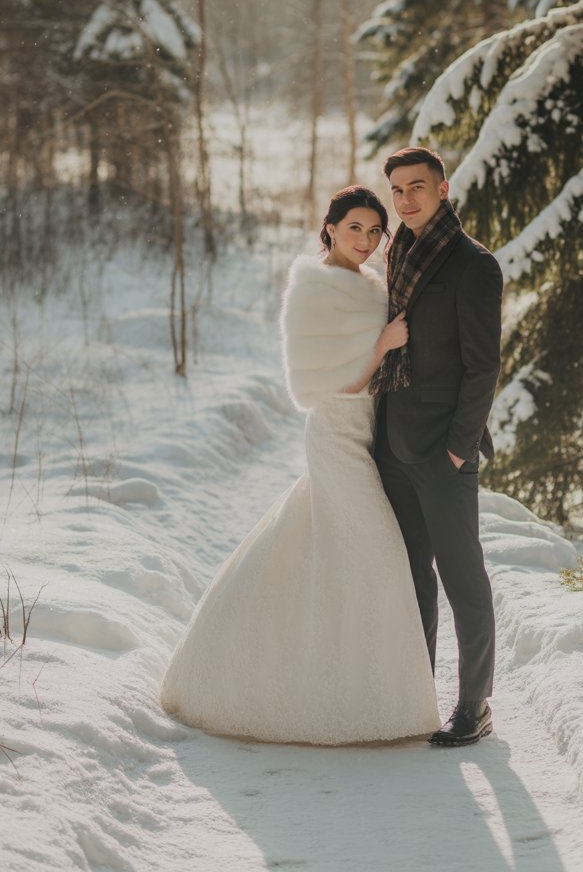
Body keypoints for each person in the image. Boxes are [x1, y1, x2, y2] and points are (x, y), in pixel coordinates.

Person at [160, 186, 440, 745]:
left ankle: (364, 691)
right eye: (353, 227)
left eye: (373, 231)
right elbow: (319, 387)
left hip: (369, 434)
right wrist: (383, 346)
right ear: (330, 228)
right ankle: (338, 697)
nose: (363, 240)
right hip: (337, 432)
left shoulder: (372, 285)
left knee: (337, 554)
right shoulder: (312, 290)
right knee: (374, 549)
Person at [371, 147, 503, 747]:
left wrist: (458, 448)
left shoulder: (473, 266)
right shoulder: (396, 252)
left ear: (443, 190)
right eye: (397, 190)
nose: (406, 200)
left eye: (418, 187)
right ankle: (414, 693)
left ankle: (474, 705)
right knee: (411, 579)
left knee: (461, 577)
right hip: (393, 444)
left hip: (443, 450)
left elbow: (483, 368)